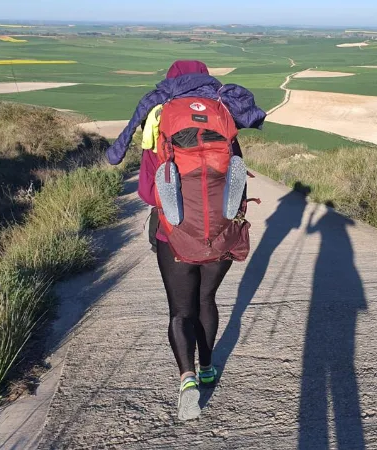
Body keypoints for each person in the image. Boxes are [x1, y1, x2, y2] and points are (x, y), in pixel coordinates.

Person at [106, 60, 265, 421]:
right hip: (221, 234)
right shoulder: (224, 117)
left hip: (173, 235)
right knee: (207, 300)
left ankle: (187, 379)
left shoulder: (161, 122)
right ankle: (208, 367)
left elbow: (149, 191)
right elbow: (237, 182)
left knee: (181, 311)